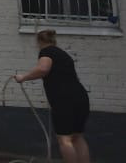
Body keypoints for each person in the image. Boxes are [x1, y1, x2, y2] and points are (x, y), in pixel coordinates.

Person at [14, 29, 92, 163]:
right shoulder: (63, 54)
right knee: (77, 137)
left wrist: (23, 77)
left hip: (64, 101)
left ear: (39, 41)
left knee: (65, 139)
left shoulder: (46, 51)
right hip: (81, 98)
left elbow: (43, 69)